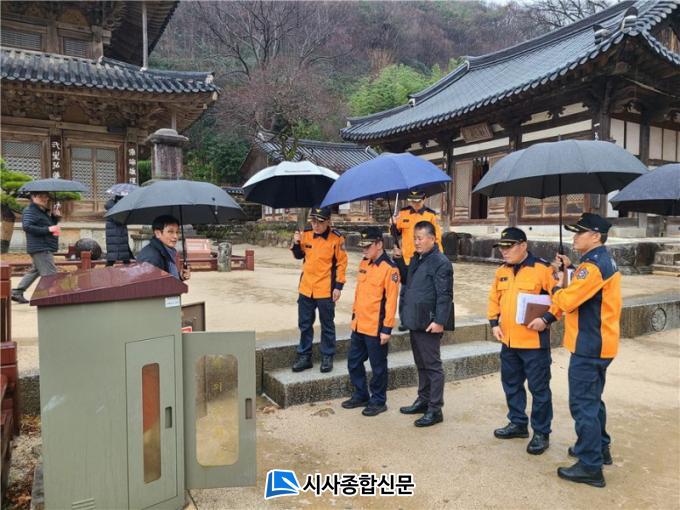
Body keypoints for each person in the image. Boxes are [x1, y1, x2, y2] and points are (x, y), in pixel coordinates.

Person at [551, 213, 621, 488]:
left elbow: (568, 301)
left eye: (580, 233)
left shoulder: (592, 267)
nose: (574, 237)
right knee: (593, 399)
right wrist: (570, 268)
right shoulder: (601, 261)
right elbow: (587, 290)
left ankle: (590, 465)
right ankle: (599, 447)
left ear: (595, 236)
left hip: (589, 344)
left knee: (583, 404)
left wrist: (557, 284)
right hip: (601, 342)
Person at [487, 227, 562, 455]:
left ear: (523, 246)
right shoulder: (501, 271)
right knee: (511, 385)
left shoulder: (543, 269)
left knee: (539, 389)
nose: (504, 251)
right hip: (508, 342)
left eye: (509, 247)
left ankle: (541, 432)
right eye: (501, 247)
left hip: (534, 344)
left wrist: (547, 319)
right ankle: (518, 423)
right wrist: (494, 323)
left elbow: (560, 299)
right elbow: (494, 299)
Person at [394, 221, 453, 427]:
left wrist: (439, 321)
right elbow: (408, 281)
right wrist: (399, 260)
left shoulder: (441, 262)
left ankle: (435, 409)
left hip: (429, 322)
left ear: (432, 239)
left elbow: (445, 295)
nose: (416, 242)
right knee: (421, 364)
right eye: (415, 238)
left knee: (433, 366)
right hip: (415, 319)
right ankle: (423, 400)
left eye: (420, 238)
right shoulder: (417, 258)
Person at [342, 227, 400, 417]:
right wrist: (354, 317)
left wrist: (387, 328)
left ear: (379, 244)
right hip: (359, 324)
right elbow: (359, 294)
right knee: (353, 362)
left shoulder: (390, 269)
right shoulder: (364, 263)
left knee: (378, 367)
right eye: (363, 246)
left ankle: (378, 401)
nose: (364, 250)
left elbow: (391, 302)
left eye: (368, 246)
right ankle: (361, 395)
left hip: (376, 327)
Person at [290, 206, 347, 373]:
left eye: (320, 222)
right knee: (305, 324)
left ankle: (327, 356)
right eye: (313, 221)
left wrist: (338, 286)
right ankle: (304, 356)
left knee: (327, 324)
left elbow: (341, 263)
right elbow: (299, 255)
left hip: (325, 289)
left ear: (328, 221)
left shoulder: (337, 238)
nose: (316, 225)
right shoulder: (306, 234)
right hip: (306, 287)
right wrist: (296, 242)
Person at [11, 192, 61, 304]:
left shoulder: (41, 211)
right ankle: (52, 298)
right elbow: (27, 227)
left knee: (35, 270)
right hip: (40, 247)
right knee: (50, 273)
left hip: (43, 245)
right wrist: (48, 229)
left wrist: (55, 217)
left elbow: (48, 225)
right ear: (33, 197)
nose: (44, 199)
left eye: (46, 196)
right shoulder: (31, 210)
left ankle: (17, 292)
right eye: (40, 196)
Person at [391, 190, 443, 265]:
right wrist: (393, 224)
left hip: (423, 259)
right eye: (412, 201)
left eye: (418, 201)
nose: (415, 204)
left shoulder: (431, 215)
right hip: (405, 258)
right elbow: (395, 233)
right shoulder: (403, 213)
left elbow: (437, 238)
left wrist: (439, 257)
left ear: (424, 199)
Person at [136, 215, 191, 281]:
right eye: (170, 232)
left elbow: (165, 280)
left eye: (177, 232)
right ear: (158, 233)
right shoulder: (152, 258)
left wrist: (180, 276)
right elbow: (149, 285)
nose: (175, 236)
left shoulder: (166, 252)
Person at [104, 195, 134, 266]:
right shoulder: (113, 208)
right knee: (113, 257)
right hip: (115, 234)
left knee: (122, 255)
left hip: (119, 233)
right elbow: (118, 220)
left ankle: (126, 265)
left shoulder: (114, 207)